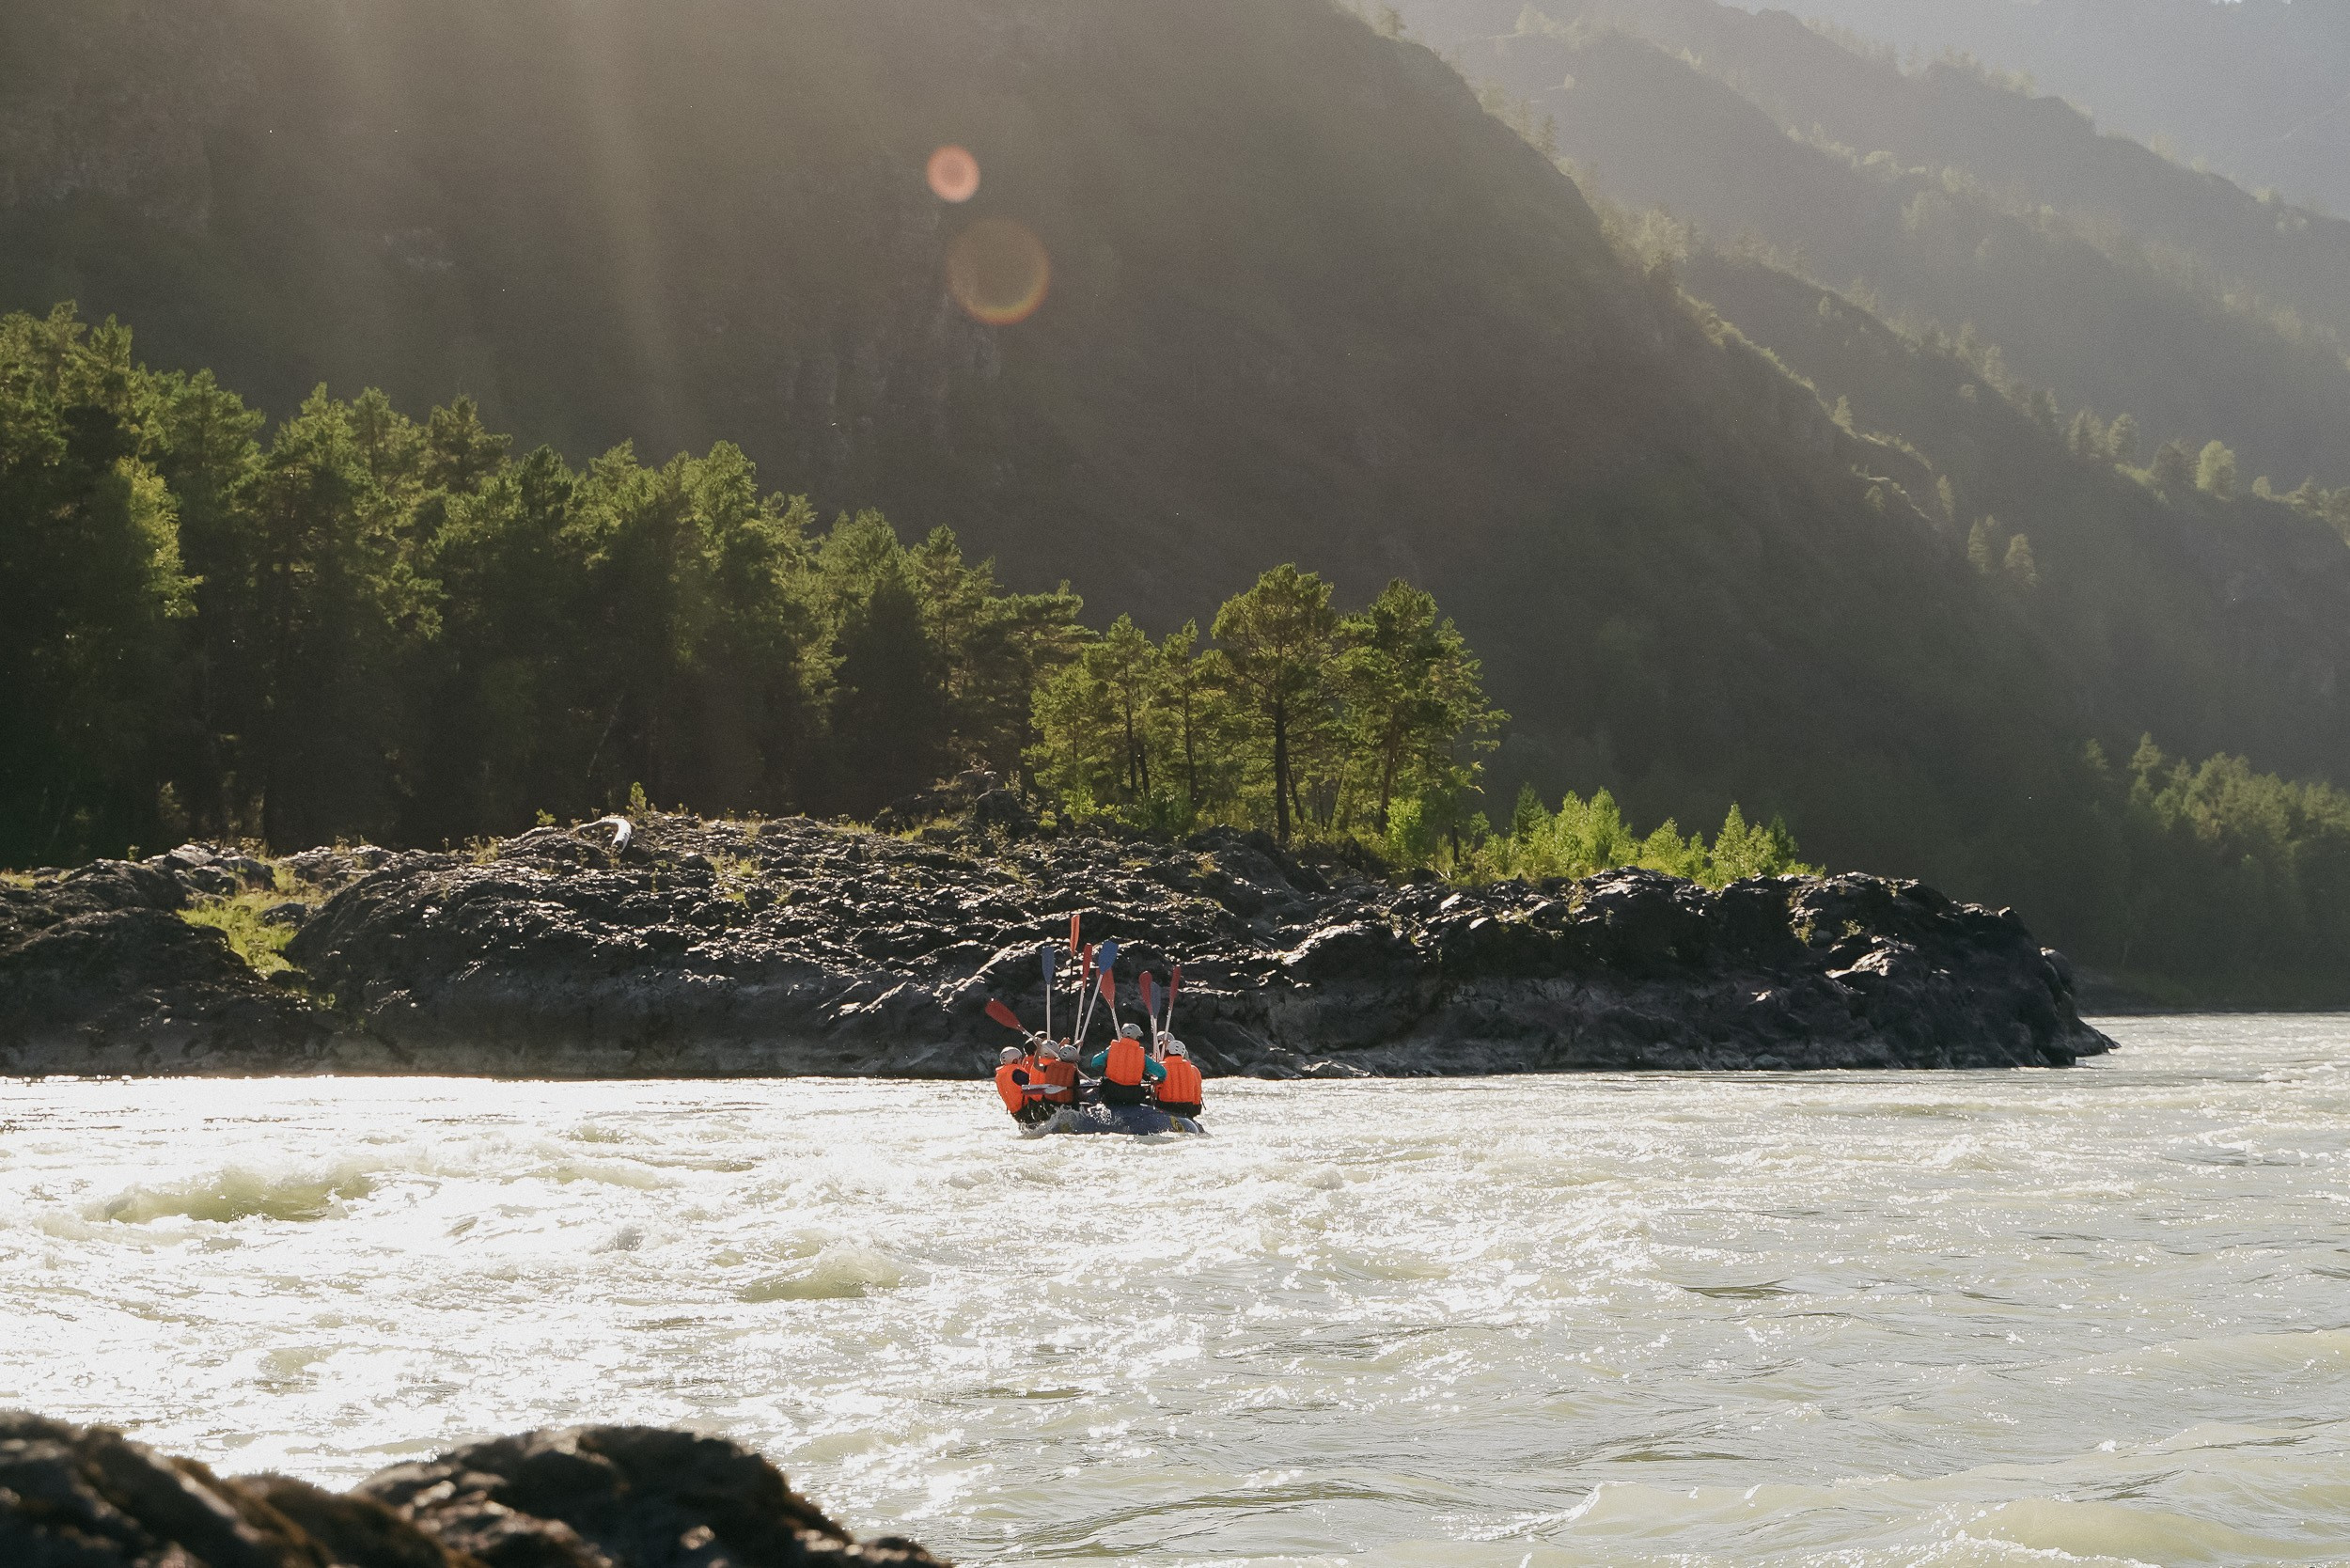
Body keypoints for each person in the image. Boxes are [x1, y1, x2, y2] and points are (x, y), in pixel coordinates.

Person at [1084, 1024, 1166, 1107]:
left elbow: (1095, 1063)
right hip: (1133, 1095)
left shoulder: (1112, 1049)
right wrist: (1160, 1079)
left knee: (1104, 1085)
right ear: (1137, 1037)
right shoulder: (1142, 1055)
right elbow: (1162, 1072)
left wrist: (1108, 1065)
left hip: (1111, 1092)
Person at [994, 1044, 1051, 1126]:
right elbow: (1032, 1084)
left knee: (1031, 1128)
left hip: (1015, 1112)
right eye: (1020, 1058)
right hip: (1026, 1108)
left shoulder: (1000, 1075)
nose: (1021, 1060)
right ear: (1015, 1061)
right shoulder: (1017, 1073)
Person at [1154, 1041, 1203, 1121]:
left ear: (1168, 1051)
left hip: (1166, 1106)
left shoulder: (1162, 1066)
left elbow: (1156, 1088)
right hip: (1186, 1107)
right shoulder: (1191, 1068)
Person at [1029, 1041, 1080, 1112]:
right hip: (1067, 1103)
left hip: (1049, 1102)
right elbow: (1077, 1086)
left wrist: (1038, 1049)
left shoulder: (1050, 1066)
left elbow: (1036, 1065)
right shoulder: (1073, 1071)